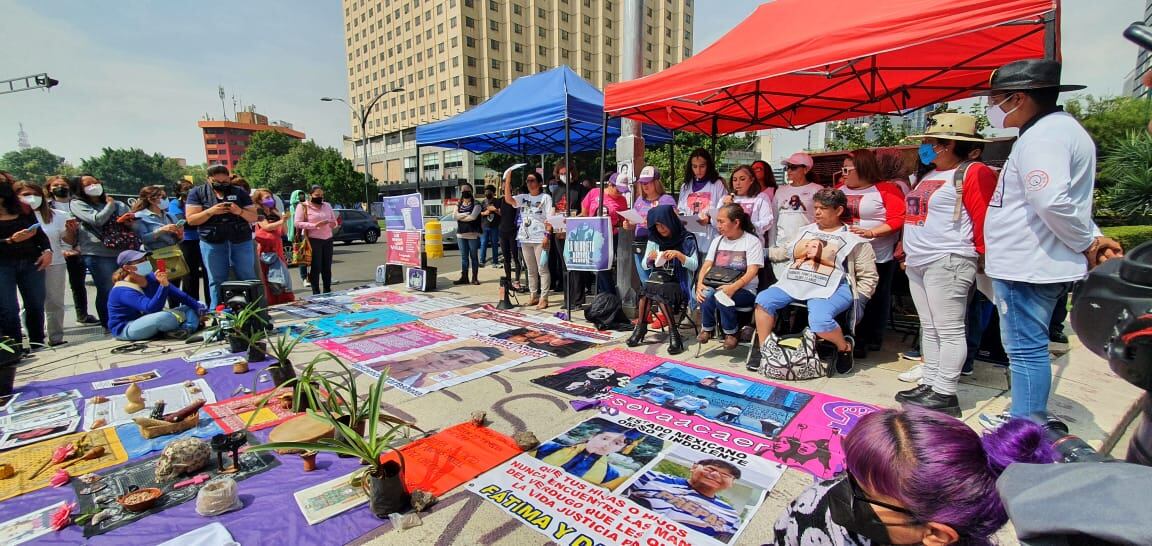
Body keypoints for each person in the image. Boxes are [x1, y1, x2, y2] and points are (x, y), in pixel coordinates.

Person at [973, 59, 1123, 426]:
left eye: (996, 99)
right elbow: (1063, 200)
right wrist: (1091, 236)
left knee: (1025, 351)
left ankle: (1026, 427)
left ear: (1018, 98)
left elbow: (1051, 201)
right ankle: (1026, 415)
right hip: (1031, 261)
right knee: (1028, 349)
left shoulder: (1046, 136)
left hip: (1029, 264)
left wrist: (1088, 241)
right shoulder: (1050, 132)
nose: (992, 108)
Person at [772, 407, 1058, 546]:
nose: (827, 491)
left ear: (936, 534)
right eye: (849, 474)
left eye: (861, 495)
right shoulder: (816, 512)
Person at [892, 114, 999, 417]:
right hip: (919, 261)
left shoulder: (972, 172)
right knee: (929, 326)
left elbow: (984, 219)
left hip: (949, 259)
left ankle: (945, 390)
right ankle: (931, 381)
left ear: (956, 145)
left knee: (949, 329)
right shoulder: (928, 175)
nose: (927, 148)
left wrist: (982, 256)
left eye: (935, 143)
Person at [756, 189, 878, 374]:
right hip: (798, 280)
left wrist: (861, 298)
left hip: (833, 287)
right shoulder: (805, 231)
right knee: (763, 300)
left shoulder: (854, 239)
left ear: (838, 210)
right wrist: (760, 251)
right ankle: (765, 349)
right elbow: (786, 251)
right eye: (816, 208)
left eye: (823, 208)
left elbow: (869, 275)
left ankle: (844, 347)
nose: (817, 212)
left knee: (820, 321)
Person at [837, 148, 906, 358]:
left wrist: (872, 232)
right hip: (844, 254)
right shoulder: (840, 189)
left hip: (877, 255)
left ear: (863, 168)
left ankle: (869, 338)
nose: (844, 173)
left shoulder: (886, 189)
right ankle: (845, 334)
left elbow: (898, 217)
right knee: (844, 295)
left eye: (847, 169)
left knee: (873, 297)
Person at [627, 205, 699, 354]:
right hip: (659, 280)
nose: (660, 229)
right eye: (657, 226)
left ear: (670, 220)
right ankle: (646, 329)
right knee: (650, 287)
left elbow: (695, 265)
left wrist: (679, 255)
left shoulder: (687, 238)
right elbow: (644, 266)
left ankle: (652, 331)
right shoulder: (654, 238)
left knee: (654, 289)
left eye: (662, 224)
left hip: (680, 283)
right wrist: (649, 259)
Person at [184, 165, 257, 308]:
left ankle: (255, 309)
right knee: (216, 279)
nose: (222, 185)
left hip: (240, 239)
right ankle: (217, 312)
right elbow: (191, 219)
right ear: (208, 179)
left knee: (247, 276)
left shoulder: (239, 192)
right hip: (212, 241)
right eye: (217, 182)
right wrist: (210, 212)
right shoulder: (197, 193)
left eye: (225, 182)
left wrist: (239, 211)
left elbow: (253, 217)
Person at [69, 174, 133, 330]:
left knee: (128, 286)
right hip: (98, 252)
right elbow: (97, 220)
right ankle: (109, 323)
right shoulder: (78, 204)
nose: (94, 185)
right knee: (107, 289)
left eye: (96, 182)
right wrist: (110, 205)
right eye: (88, 184)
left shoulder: (119, 204)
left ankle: (130, 318)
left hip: (122, 249)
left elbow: (133, 224)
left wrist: (129, 221)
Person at [696, 204, 764, 350]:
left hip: (745, 289)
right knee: (706, 294)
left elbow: (752, 271)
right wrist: (700, 283)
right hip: (717, 285)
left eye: (722, 221)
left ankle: (732, 333)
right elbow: (707, 264)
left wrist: (733, 287)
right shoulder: (718, 241)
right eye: (717, 221)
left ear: (736, 222)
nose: (718, 225)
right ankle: (707, 328)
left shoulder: (751, 242)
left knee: (721, 296)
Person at [626, 458, 742, 541]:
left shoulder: (732, 517)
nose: (715, 475)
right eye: (710, 469)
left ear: (732, 483)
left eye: (725, 475)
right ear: (694, 467)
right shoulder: (651, 477)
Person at [14, 182, 71, 347]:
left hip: (55, 262)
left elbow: (68, 240)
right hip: (29, 264)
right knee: (31, 303)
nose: (31, 198)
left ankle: (56, 337)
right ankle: (35, 339)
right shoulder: (17, 217)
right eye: (25, 194)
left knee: (55, 301)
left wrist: (71, 231)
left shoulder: (58, 215)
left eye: (34, 193)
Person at [0, 176, 52, 353]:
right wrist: (9, 240)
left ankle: (37, 341)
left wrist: (47, 251)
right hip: (3, 264)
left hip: (31, 261)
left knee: (35, 303)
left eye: (5, 182)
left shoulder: (22, 207)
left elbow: (39, 233)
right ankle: (14, 348)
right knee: (8, 307)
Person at [108, 249, 205, 341]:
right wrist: (163, 286)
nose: (145, 262)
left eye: (145, 259)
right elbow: (152, 308)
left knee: (198, 304)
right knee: (163, 317)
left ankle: (186, 329)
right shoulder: (122, 290)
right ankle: (188, 324)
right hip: (127, 327)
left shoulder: (150, 277)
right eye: (140, 261)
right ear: (127, 268)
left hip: (150, 317)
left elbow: (180, 295)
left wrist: (201, 309)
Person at [46, 176, 100, 325]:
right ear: (49, 188)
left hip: (77, 248)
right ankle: (49, 323)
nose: (60, 188)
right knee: (52, 290)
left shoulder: (77, 203)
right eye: (55, 185)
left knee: (78, 284)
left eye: (63, 185)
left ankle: (82, 315)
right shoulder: (46, 206)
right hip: (55, 250)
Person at [532, 422, 649, 490]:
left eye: (617, 443)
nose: (606, 445)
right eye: (604, 438)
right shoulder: (549, 448)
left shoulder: (611, 475)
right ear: (593, 436)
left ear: (620, 449)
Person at [503, 166, 554, 309]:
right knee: (530, 270)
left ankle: (544, 298)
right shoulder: (523, 197)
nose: (529, 183)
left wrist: (547, 236)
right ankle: (533, 295)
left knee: (542, 269)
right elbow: (508, 199)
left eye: (532, 180)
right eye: (527, 181)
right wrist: (508, 180)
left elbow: (550, 218)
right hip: (525, 238)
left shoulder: (545, 198)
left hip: (540, 238)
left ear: (539, 183)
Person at [772, 153, 822, 280]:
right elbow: (774, 219)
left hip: (806, 247)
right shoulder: (780, 190)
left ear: (806, 169)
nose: (789, 170)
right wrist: (773, 246)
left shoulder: (817, 189)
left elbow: (821, 220)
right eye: (787, 167)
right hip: (782, 247)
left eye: (793, 167)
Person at [624, 166, 677, 284]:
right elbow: (635, 222)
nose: (645, 186)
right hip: (640, 244)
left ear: (656, 182)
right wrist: (629, 225)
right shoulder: (639, 200)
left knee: (659, 281)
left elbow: (674, 222)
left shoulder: (666, 199)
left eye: (648, 182)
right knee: (646, 282)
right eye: (642, 183)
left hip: (658, 245)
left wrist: (652, 222)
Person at [581, 172, 630, 296]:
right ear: (610, 184)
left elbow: (622, 219)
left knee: (603, 267)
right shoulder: (594, 193)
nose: (620, 193)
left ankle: (609, 295)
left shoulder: (622, 200)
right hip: (592, 235)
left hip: (610, 236)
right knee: (598, 267)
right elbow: (585, 210)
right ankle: (606, 296)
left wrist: (623, 223)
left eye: (622, 190)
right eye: (618, 189)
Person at [368, 346, 503, 389]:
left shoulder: (416, 383)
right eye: (452, 355)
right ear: (435, 352)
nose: (448, 362)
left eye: (463, 362)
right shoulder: (376, 359)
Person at [677, 148, 728, 259]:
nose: (698, 170)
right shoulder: (685, 186)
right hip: (689, 239)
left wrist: (709, 220)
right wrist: (681, 217)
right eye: (694, 166)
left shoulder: (717, 184)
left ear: (708, 166)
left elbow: (725, 211)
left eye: (702, 166)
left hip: (710, 238)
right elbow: (681, 209)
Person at [252, 189, 294, 305]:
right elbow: (266, 227)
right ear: (259, 200)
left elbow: (284, 231)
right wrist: (281, 221)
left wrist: (282, 219)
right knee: (267, 275)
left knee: (280, 274)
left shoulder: (274, 211)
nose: (270, 199)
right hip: (265, 248)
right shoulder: (259, 213)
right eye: (266, 197)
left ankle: (282, 298)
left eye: (270, 197)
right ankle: (269, 301)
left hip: (278, 247)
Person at [170, 180, 208, 303]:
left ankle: (209, 304)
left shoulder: (197, 201)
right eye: (185, 188)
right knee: (190, 274)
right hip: (186, 241)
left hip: (202, 239)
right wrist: (200, 218)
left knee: (208, 273)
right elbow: (185, 223)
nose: (189, 190)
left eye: (191, 187)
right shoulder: (175, 204)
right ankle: (192, 305)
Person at [295, 185, 338, 295]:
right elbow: (297, 223)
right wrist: (314, 225)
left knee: (327, 267)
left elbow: (334, 221)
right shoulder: (303, 206)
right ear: (310, 195)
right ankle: (316, 292)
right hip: (313, 240)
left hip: (327, 239)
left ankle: (327, 291)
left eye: (322, 195)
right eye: (317, 195)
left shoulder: (327, 205)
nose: (320, 197)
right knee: (316, 267)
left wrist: (332, 223)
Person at [721, 165, 775, 241]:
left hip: (752, 243)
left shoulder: (761, 198)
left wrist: (748, 227)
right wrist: (725, 206)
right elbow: (716, 222)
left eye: (742, 179)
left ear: (752, 180)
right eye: (735, 180)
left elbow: (767, 221)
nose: (738, 183)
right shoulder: (726, 199)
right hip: (729, 244)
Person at [131, 185, 182, 251]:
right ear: (151, 200)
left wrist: (180, 236)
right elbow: (142, 240)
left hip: (174, 254)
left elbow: (179, 240)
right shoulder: (139, 216)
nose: (166, 199)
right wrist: (161, 230)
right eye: (163, 197)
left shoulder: (170, 216)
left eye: (166, 197)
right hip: (154, 256)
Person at [497, 182, 524, 291]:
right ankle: (508, 280)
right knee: (506, 258)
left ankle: (517, 280)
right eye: (503, 188)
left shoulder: (514, 200)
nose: (505, 189)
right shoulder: (501, 200)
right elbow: (493, 208)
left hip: (513, 231)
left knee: (516, 257)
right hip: (502, 231)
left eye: (507, 188)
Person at [454, 187, 483, 286]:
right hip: (461, 234)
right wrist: (466, 214)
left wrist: (460, 216)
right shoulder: (459, 203)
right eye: (463, 191)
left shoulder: (477, 204)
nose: (465, 192)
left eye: (467, 190)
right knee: (464, 257)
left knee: (473, 256)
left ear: (471, 191)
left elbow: (473, 217)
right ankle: (464, 277)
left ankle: (474, 278)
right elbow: (454, 216)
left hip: (472, 234)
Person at [286, 189, 309, 286]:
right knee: (301, 258)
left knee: (315, 258)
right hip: (297, 236)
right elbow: (288, 224)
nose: (301, 198)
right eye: (299, 196)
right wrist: (291, 235)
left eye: (302, 195)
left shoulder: (308, 206)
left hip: (309, 233)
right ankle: (304, 278)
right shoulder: (289, 209)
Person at [478, 185, 501, 268]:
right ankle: (482, 261)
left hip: (495, 226)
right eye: (486, 191)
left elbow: (502, 213)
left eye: (489, 191)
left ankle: (495, 261)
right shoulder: (482, 202)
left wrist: (494, 209)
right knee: (483, 243)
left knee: (494, 244)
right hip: (484, 226)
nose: (487, 192)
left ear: (493, 192)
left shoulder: (498, 201)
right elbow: (478, 213)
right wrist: (485, 213)